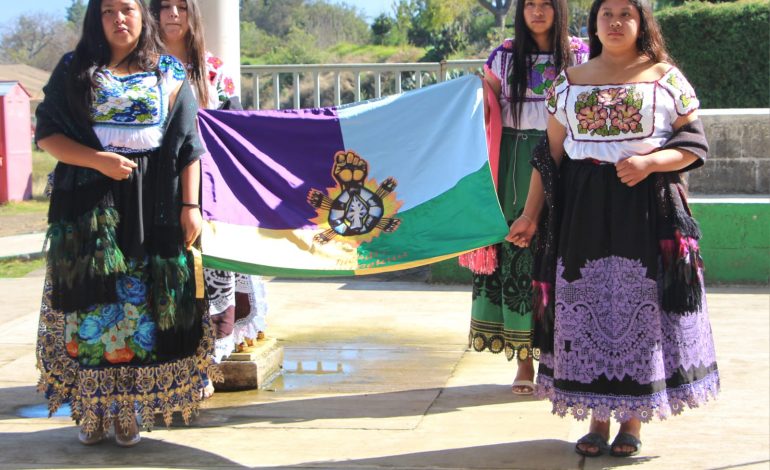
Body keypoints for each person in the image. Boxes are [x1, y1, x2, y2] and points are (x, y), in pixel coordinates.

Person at [507, 0, 718, 457]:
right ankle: (595, 421)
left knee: (637, 307)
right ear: (594, 24)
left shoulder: (666, 79)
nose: (617, 21)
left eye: (627, 13)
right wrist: (529, 215)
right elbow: (550, 157)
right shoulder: (568, 83)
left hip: (645, 207)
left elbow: (693, 143)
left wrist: (649, 163)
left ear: (642, 22)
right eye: (608, 14)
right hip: (582, 210)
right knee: (586, 307)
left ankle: (632, 424)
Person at [35, 0, 215, 446]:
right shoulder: (75, 70)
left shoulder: (169, 74)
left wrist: (189, 207)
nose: (119, 19)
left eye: (128, 9)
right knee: (90, 312)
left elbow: (188, 146)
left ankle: (126, 412)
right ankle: (91, 412)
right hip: (87, 212)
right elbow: (48, 134)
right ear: (96, 19)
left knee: (139, 316)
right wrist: (98, 161)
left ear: (143, 16)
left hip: (151, 209)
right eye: (108, 10)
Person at [463, 0, 588, 395]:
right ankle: (523, 361)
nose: (537, 11)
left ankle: (565, 359)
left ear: (559, 9)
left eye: (545, 4)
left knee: (562, 250)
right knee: (519, 249)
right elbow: (481, 104)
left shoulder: (581, 54)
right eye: (529, 4)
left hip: (567, 157)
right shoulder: (503, 56)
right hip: (515, 161)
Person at [151, 0, 269, 400]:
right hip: (153, 189)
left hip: (211, 190)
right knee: (165, 279)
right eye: (164, 6)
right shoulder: (140, 66)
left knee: (209, 277)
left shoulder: (213, 69)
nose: (172, 14)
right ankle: (164, 365)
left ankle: (204, 365)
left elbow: (234, 128)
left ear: (191, 15)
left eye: (181, 7)